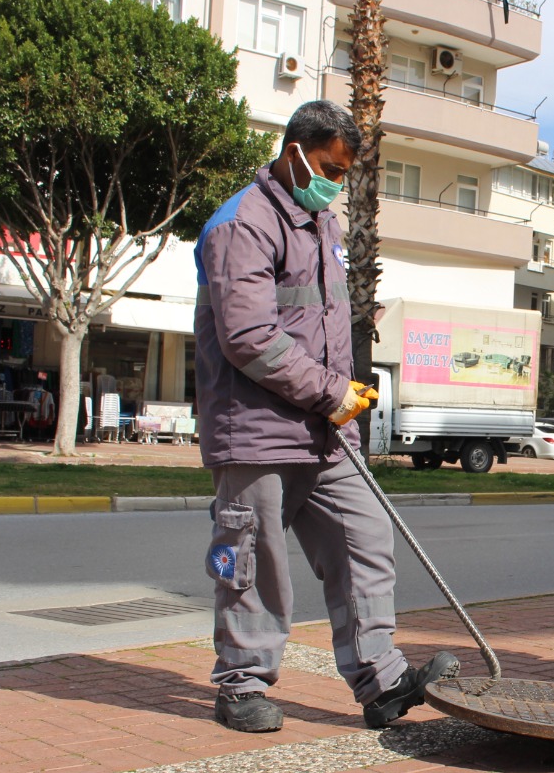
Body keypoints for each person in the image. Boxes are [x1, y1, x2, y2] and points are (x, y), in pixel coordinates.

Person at [193, 99, 459, 733]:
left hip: (324, 430)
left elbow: (325, 327)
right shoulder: (243, 224)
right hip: (257, 430)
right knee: (256, 561)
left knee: (365, 539)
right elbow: (249, 336)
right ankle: (241, 684)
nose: (335, 185)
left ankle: (382, 681)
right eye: (328, 170)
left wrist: (341, 396)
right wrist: (328, 391)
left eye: (343, 175)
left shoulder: (323, 226)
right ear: (293, 154)